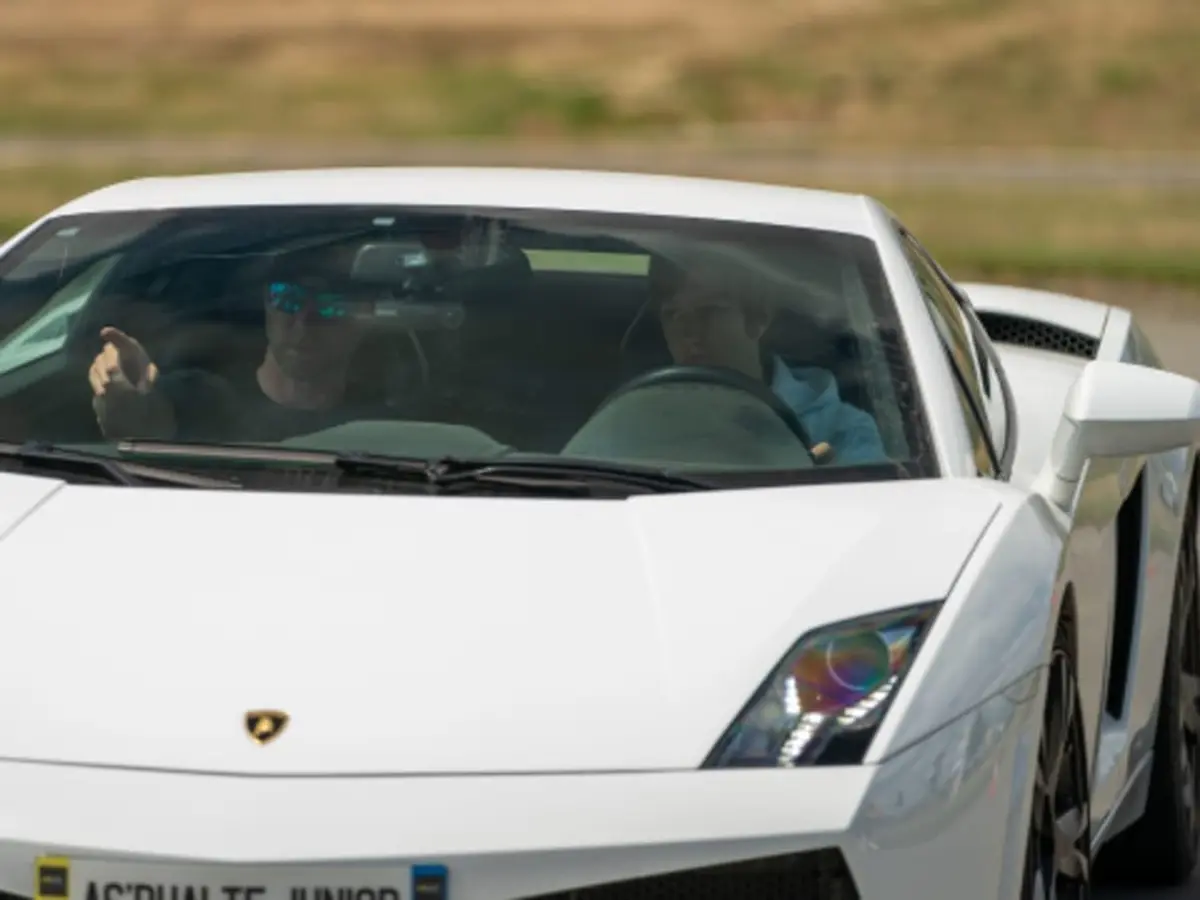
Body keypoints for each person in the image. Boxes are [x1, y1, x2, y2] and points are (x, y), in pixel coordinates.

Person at [88, 243, 400, 443]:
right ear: (266, 304)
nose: (303, 321)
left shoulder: (386, 422)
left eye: (330, 306)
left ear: (364, 319)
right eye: (287, 298)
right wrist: (123, 399)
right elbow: (146, 423)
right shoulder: (205, 398)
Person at [649, 255, 887, 465]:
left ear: (758, 318)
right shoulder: (644, 420)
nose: (688, 332)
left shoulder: (841, 431)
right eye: (672, 315)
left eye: (708, 312)